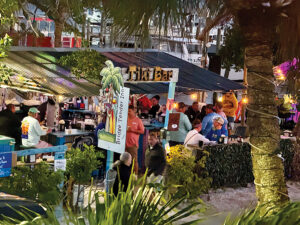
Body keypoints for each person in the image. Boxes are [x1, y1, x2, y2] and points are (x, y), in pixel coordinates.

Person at [126, 105, 145, 174]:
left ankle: (135, 176)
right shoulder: (125, 119)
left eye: (129, 111)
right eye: (127, 111)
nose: (128, 112)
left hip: (133, 144)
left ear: (134, 111)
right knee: (125, 160)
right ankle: (126, 175)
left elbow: (142, 131)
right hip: (124, 143)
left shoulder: (138, 120)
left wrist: (132, 130)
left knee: (134, 160)